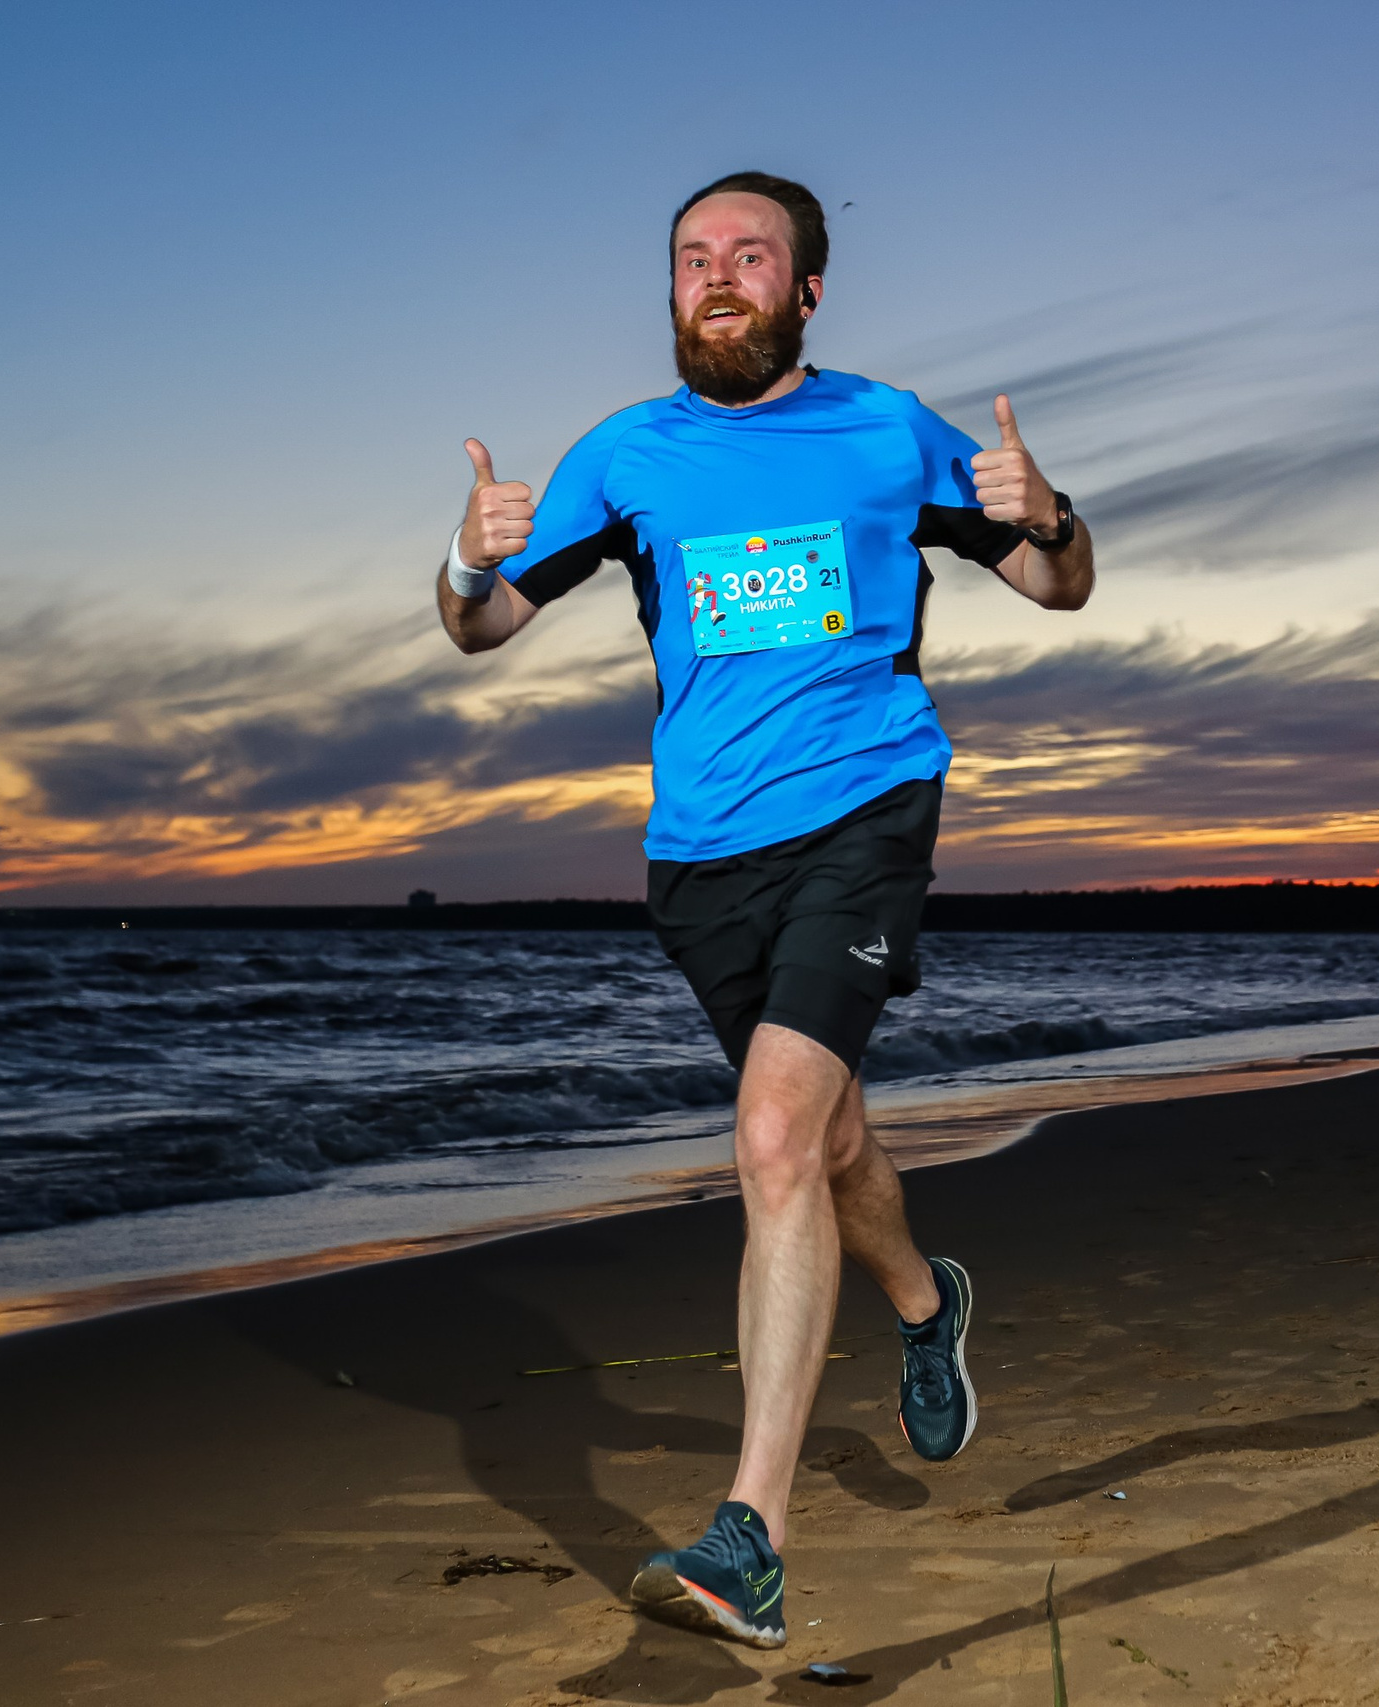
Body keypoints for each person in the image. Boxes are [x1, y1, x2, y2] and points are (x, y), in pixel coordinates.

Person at [436, 171, 1094, 1649]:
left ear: (807, 290)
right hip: (701, 856)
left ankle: (754, 1541)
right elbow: (481, 628)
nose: (718, 275)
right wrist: (467, 557)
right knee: (830, 1138)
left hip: (865, 811)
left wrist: (1047, 512)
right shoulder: (625, 454)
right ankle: (925, 1302)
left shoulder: (888, 431)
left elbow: (1060, 587)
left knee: (775, 1136)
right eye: (693, 257)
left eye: (751, 254)